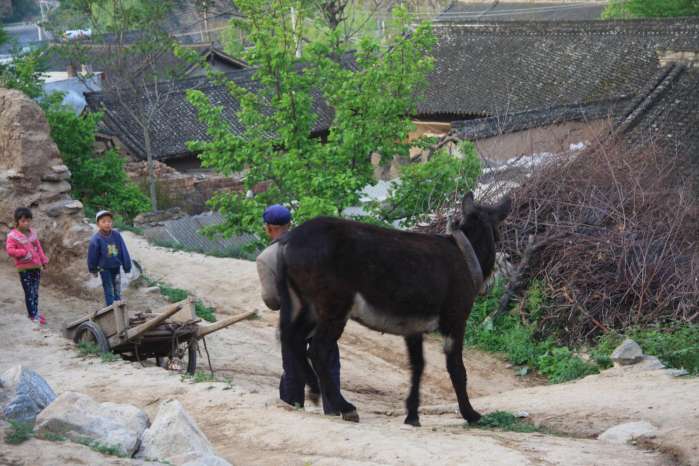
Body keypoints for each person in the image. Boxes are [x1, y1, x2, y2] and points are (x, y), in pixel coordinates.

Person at [256, 204, 342, 414]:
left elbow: (271, 300)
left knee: (294, 369)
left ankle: (293, 411)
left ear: (268, 228)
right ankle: (333, 412)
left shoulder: (266, 258)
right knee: (328, 366)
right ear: (290, 224)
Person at [5, 207, 48, 328]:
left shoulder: (32, 233)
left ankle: (35, 313)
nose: (26, 223)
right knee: (29, 292)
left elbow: (38, 247)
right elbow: (10, 250)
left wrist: (43, 260)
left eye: (28, 220)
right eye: (23, 221)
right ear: (17, 221)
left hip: (36, 267)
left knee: (35, 292)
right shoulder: (12, 236)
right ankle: (32, 315)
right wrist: (23, 252)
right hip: (24, 268)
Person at [87, 210, 132, 306]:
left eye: (109, 221)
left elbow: (123, 250)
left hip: (116, 267)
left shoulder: (116, 235)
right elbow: (92, 256)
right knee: (108, 289)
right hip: (104, 268)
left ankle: (118, 307)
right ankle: (111, 310)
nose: (107, 224)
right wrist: (93, 269)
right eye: (103, 221)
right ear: (98, 224)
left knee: (117, 288)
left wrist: (127, 266)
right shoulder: (96, 239)